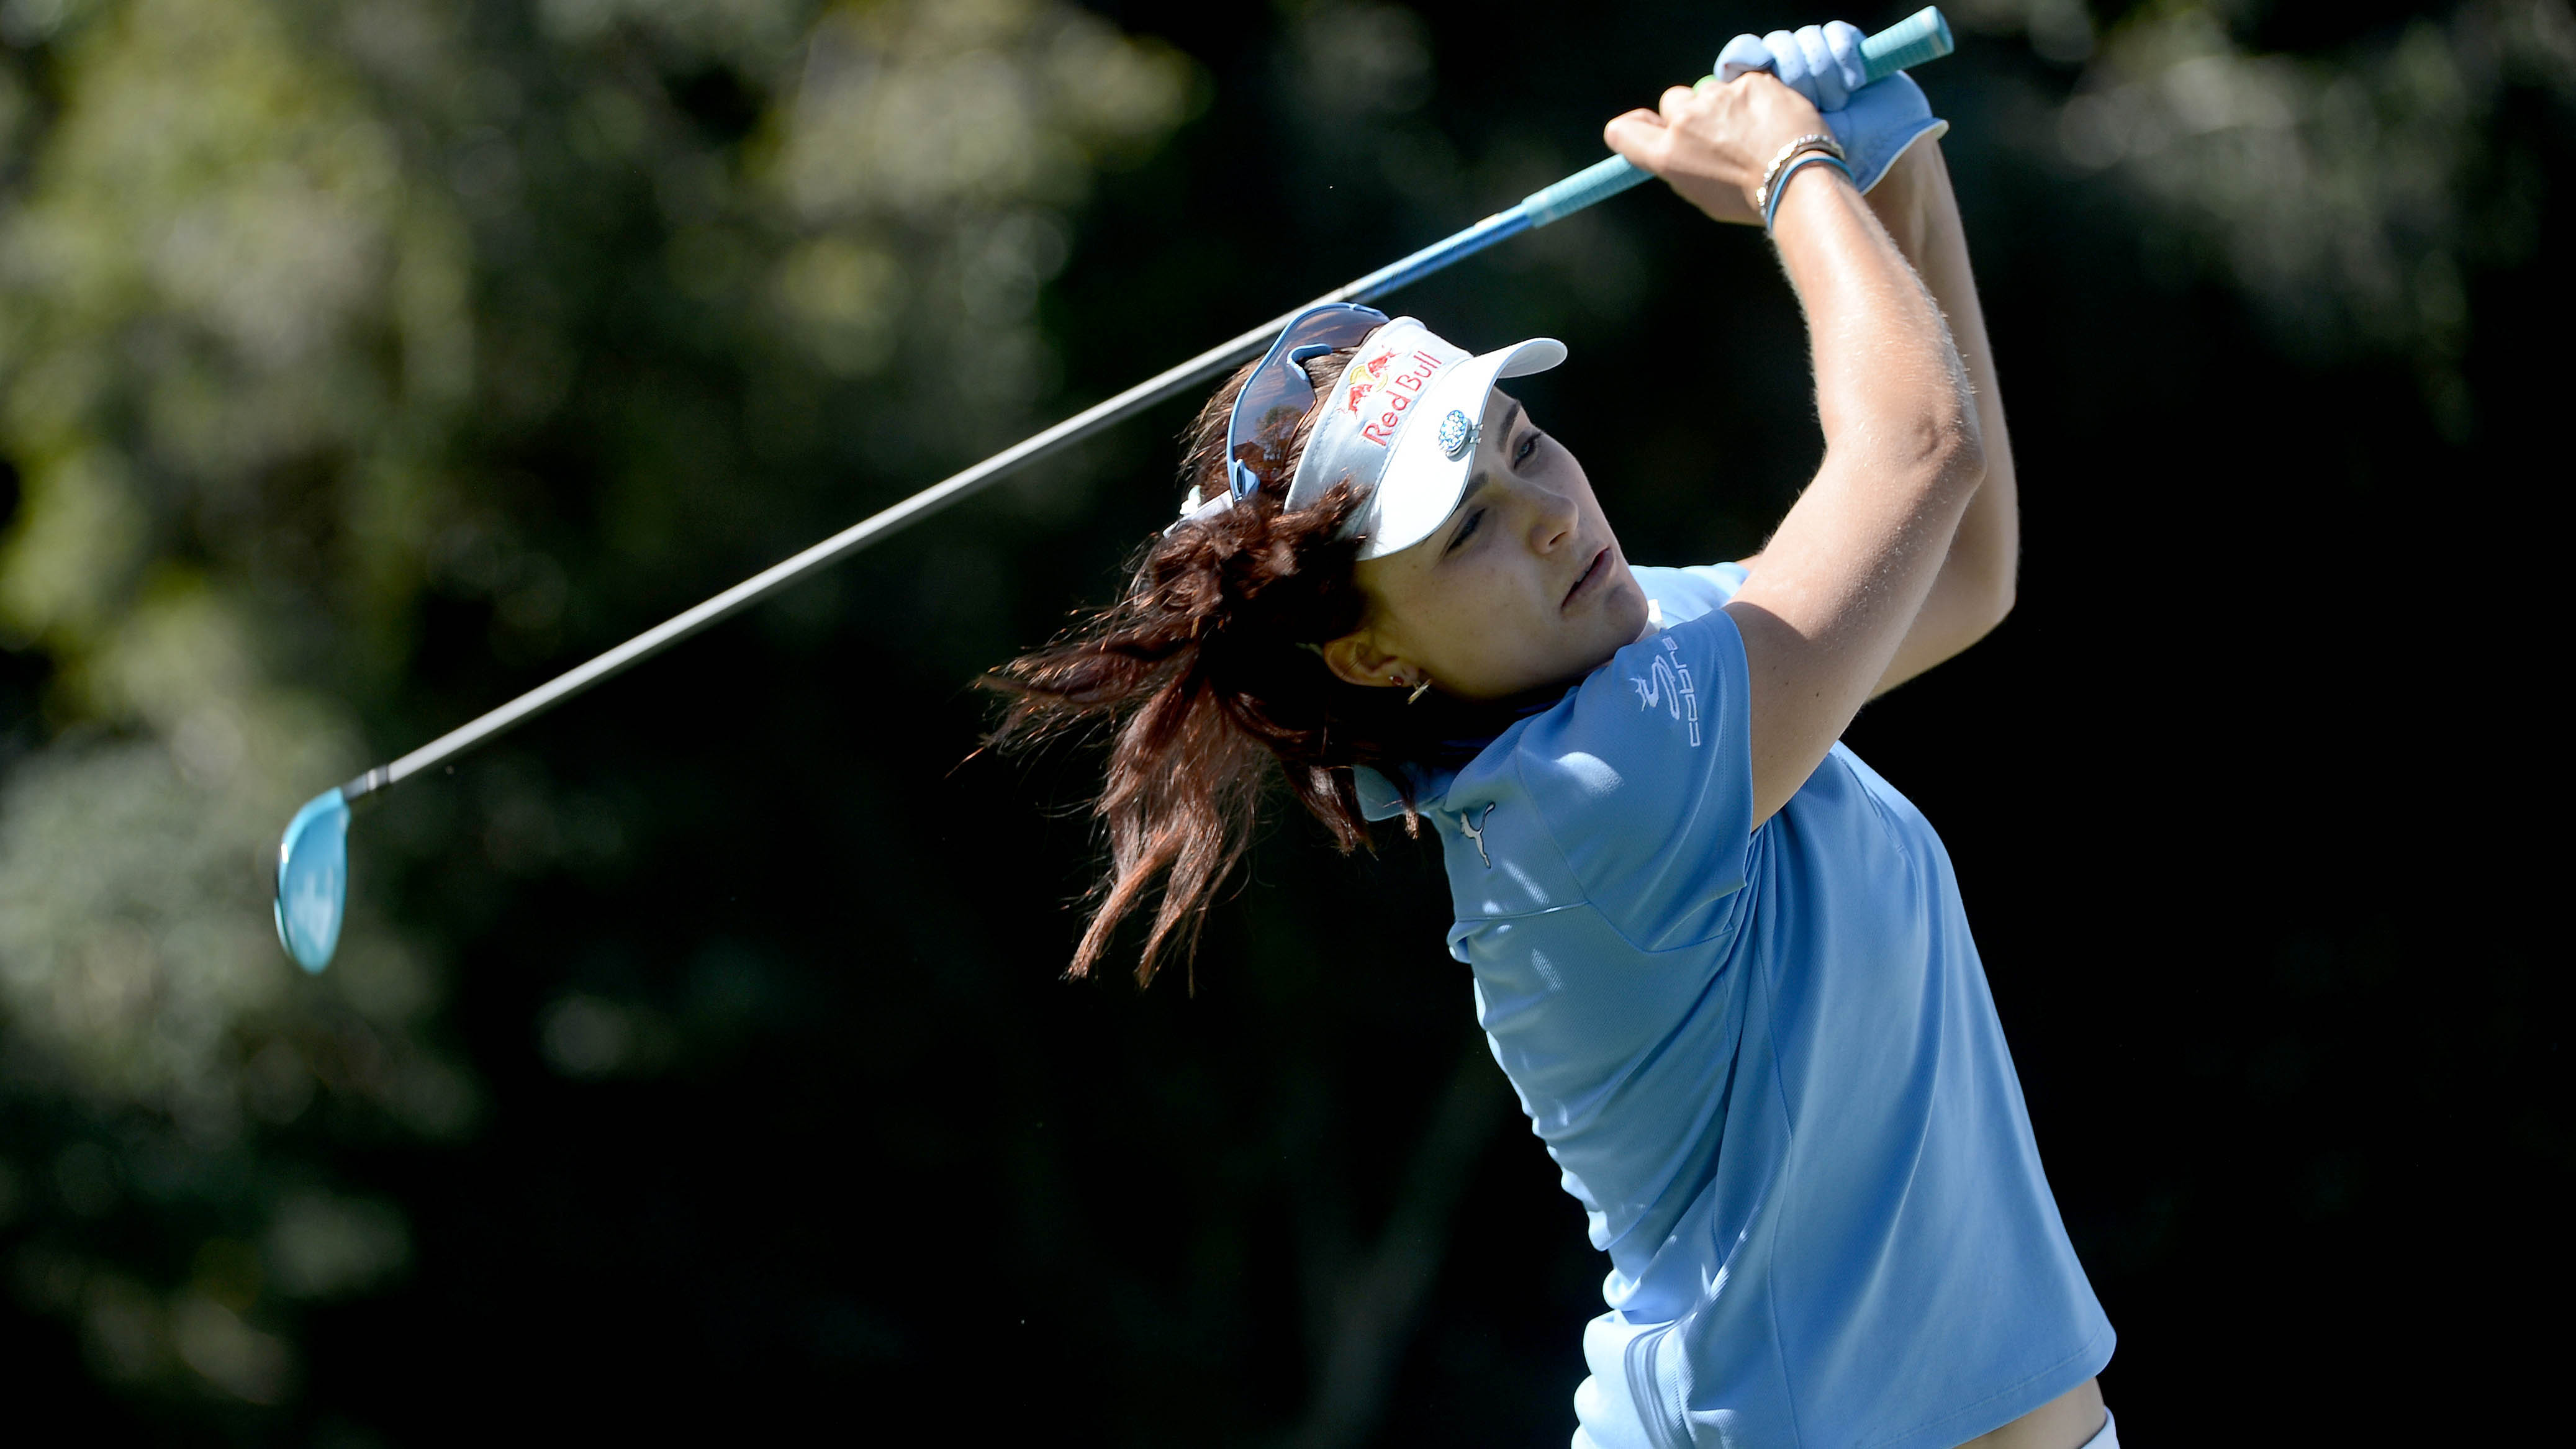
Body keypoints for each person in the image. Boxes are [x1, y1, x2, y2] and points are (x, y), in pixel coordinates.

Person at [989, 22, 2115, 1449]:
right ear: (1371, 651)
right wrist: (1791, 169)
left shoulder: (1640, 650)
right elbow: (1914, 451)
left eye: (1522, 443)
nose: (1543, 515)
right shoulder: (1592, 787)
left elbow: (1954, 575)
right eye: (1464, 531)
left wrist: (1893, 170)